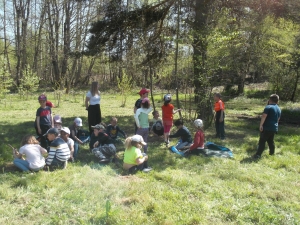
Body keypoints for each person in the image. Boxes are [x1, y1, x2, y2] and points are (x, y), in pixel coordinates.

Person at [253, 94, 281, 159]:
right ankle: (272, 153)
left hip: (267, 127)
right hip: (274, 128)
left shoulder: (268, 107)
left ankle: (258, 155)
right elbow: (278, 119)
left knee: (262, 141)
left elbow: (264, 116)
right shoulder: (278, 108)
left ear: (270, 100)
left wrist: (261, 125)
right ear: (277, 101)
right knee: (271, 141)